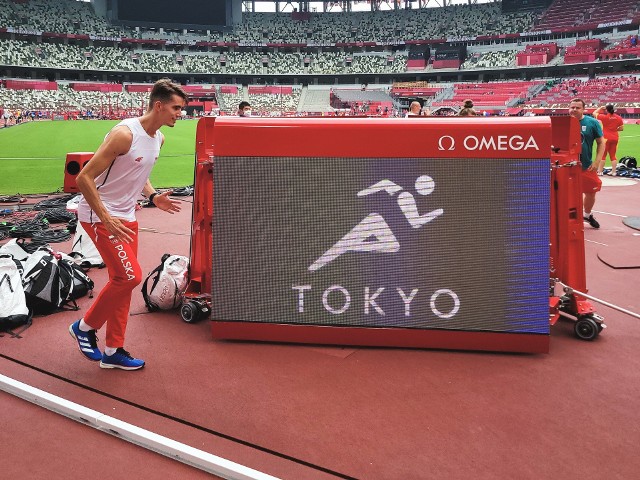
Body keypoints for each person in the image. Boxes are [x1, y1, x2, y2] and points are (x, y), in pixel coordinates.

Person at [69, 78, 188, 370]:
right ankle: (84, 327)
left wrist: (153, 196)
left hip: (128, 217)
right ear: (158, 106)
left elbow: (139, 171)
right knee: (129, 277)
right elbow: (83, 178)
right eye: (175, 108)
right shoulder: (125, 134)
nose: (180, 113)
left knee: (121, 283)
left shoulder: (158, 138)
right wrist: (106, 218)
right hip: (101, 215)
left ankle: (113, 350)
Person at [568, 98, 606, 229]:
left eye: (577, 108)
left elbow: (601, 142)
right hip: (567, 166)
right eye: (572, 107)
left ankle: (587, 214)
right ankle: (567, 218)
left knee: (591, 191)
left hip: (586, 166)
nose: (574, 110)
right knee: (565, 193)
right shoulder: (563, 123)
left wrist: (597, 161)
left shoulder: (592, 123)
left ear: (583, 109)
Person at [593, 104, 624, 175]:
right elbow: (621, 128)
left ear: (606, 110)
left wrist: (600, 108)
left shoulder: (604, 117)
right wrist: (614, 130)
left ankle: (600, 171)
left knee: (603, 154)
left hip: (606, 138)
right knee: (613, 155)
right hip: (615, 137)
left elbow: (594, 113)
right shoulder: (618, 117)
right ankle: (613, 172)